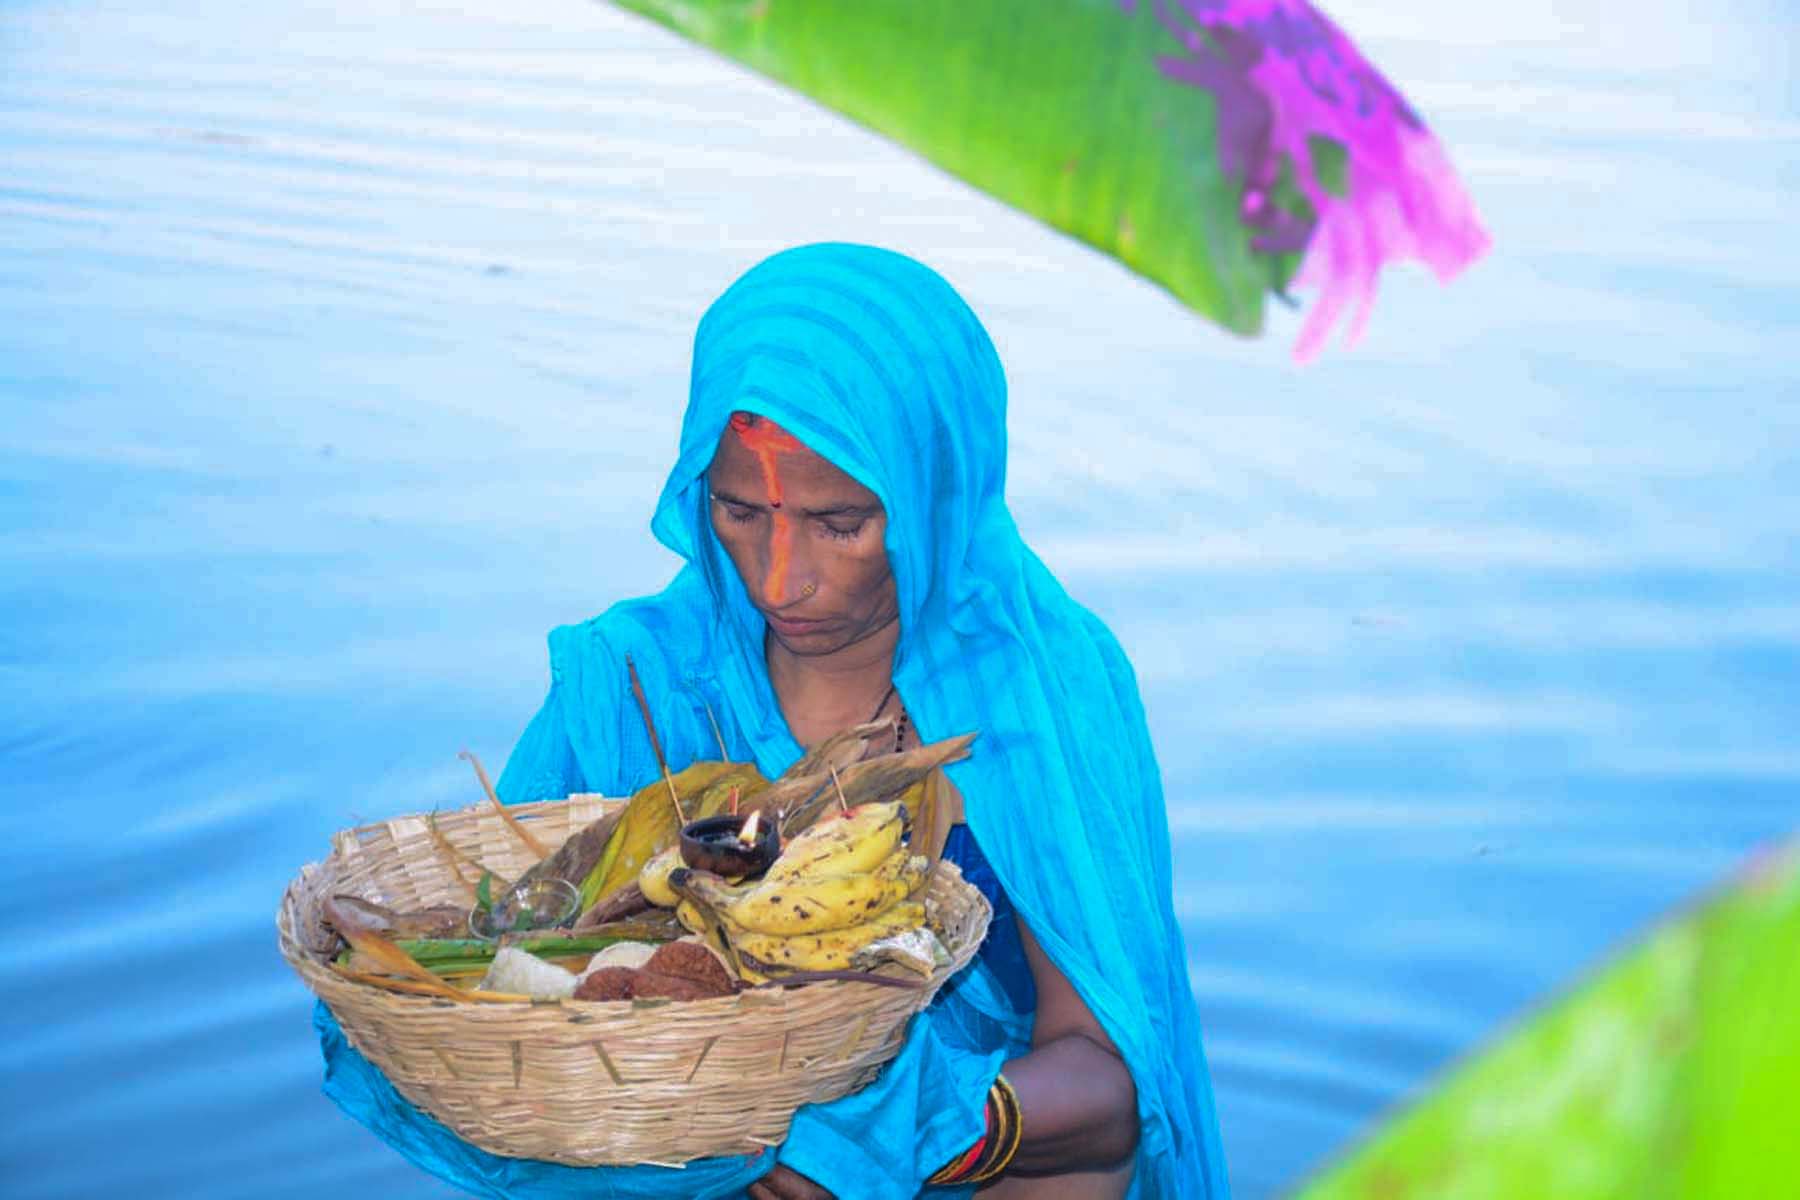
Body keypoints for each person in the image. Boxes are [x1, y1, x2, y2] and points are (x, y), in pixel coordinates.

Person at [315, 243, 1231, 1198]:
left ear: (934, 499)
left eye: (841, 524)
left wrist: (918, 1137)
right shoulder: (640, 683)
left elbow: (1116, 1083)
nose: (778, 579)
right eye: (738, 510)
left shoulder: (1044, 690)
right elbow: (499, 979)